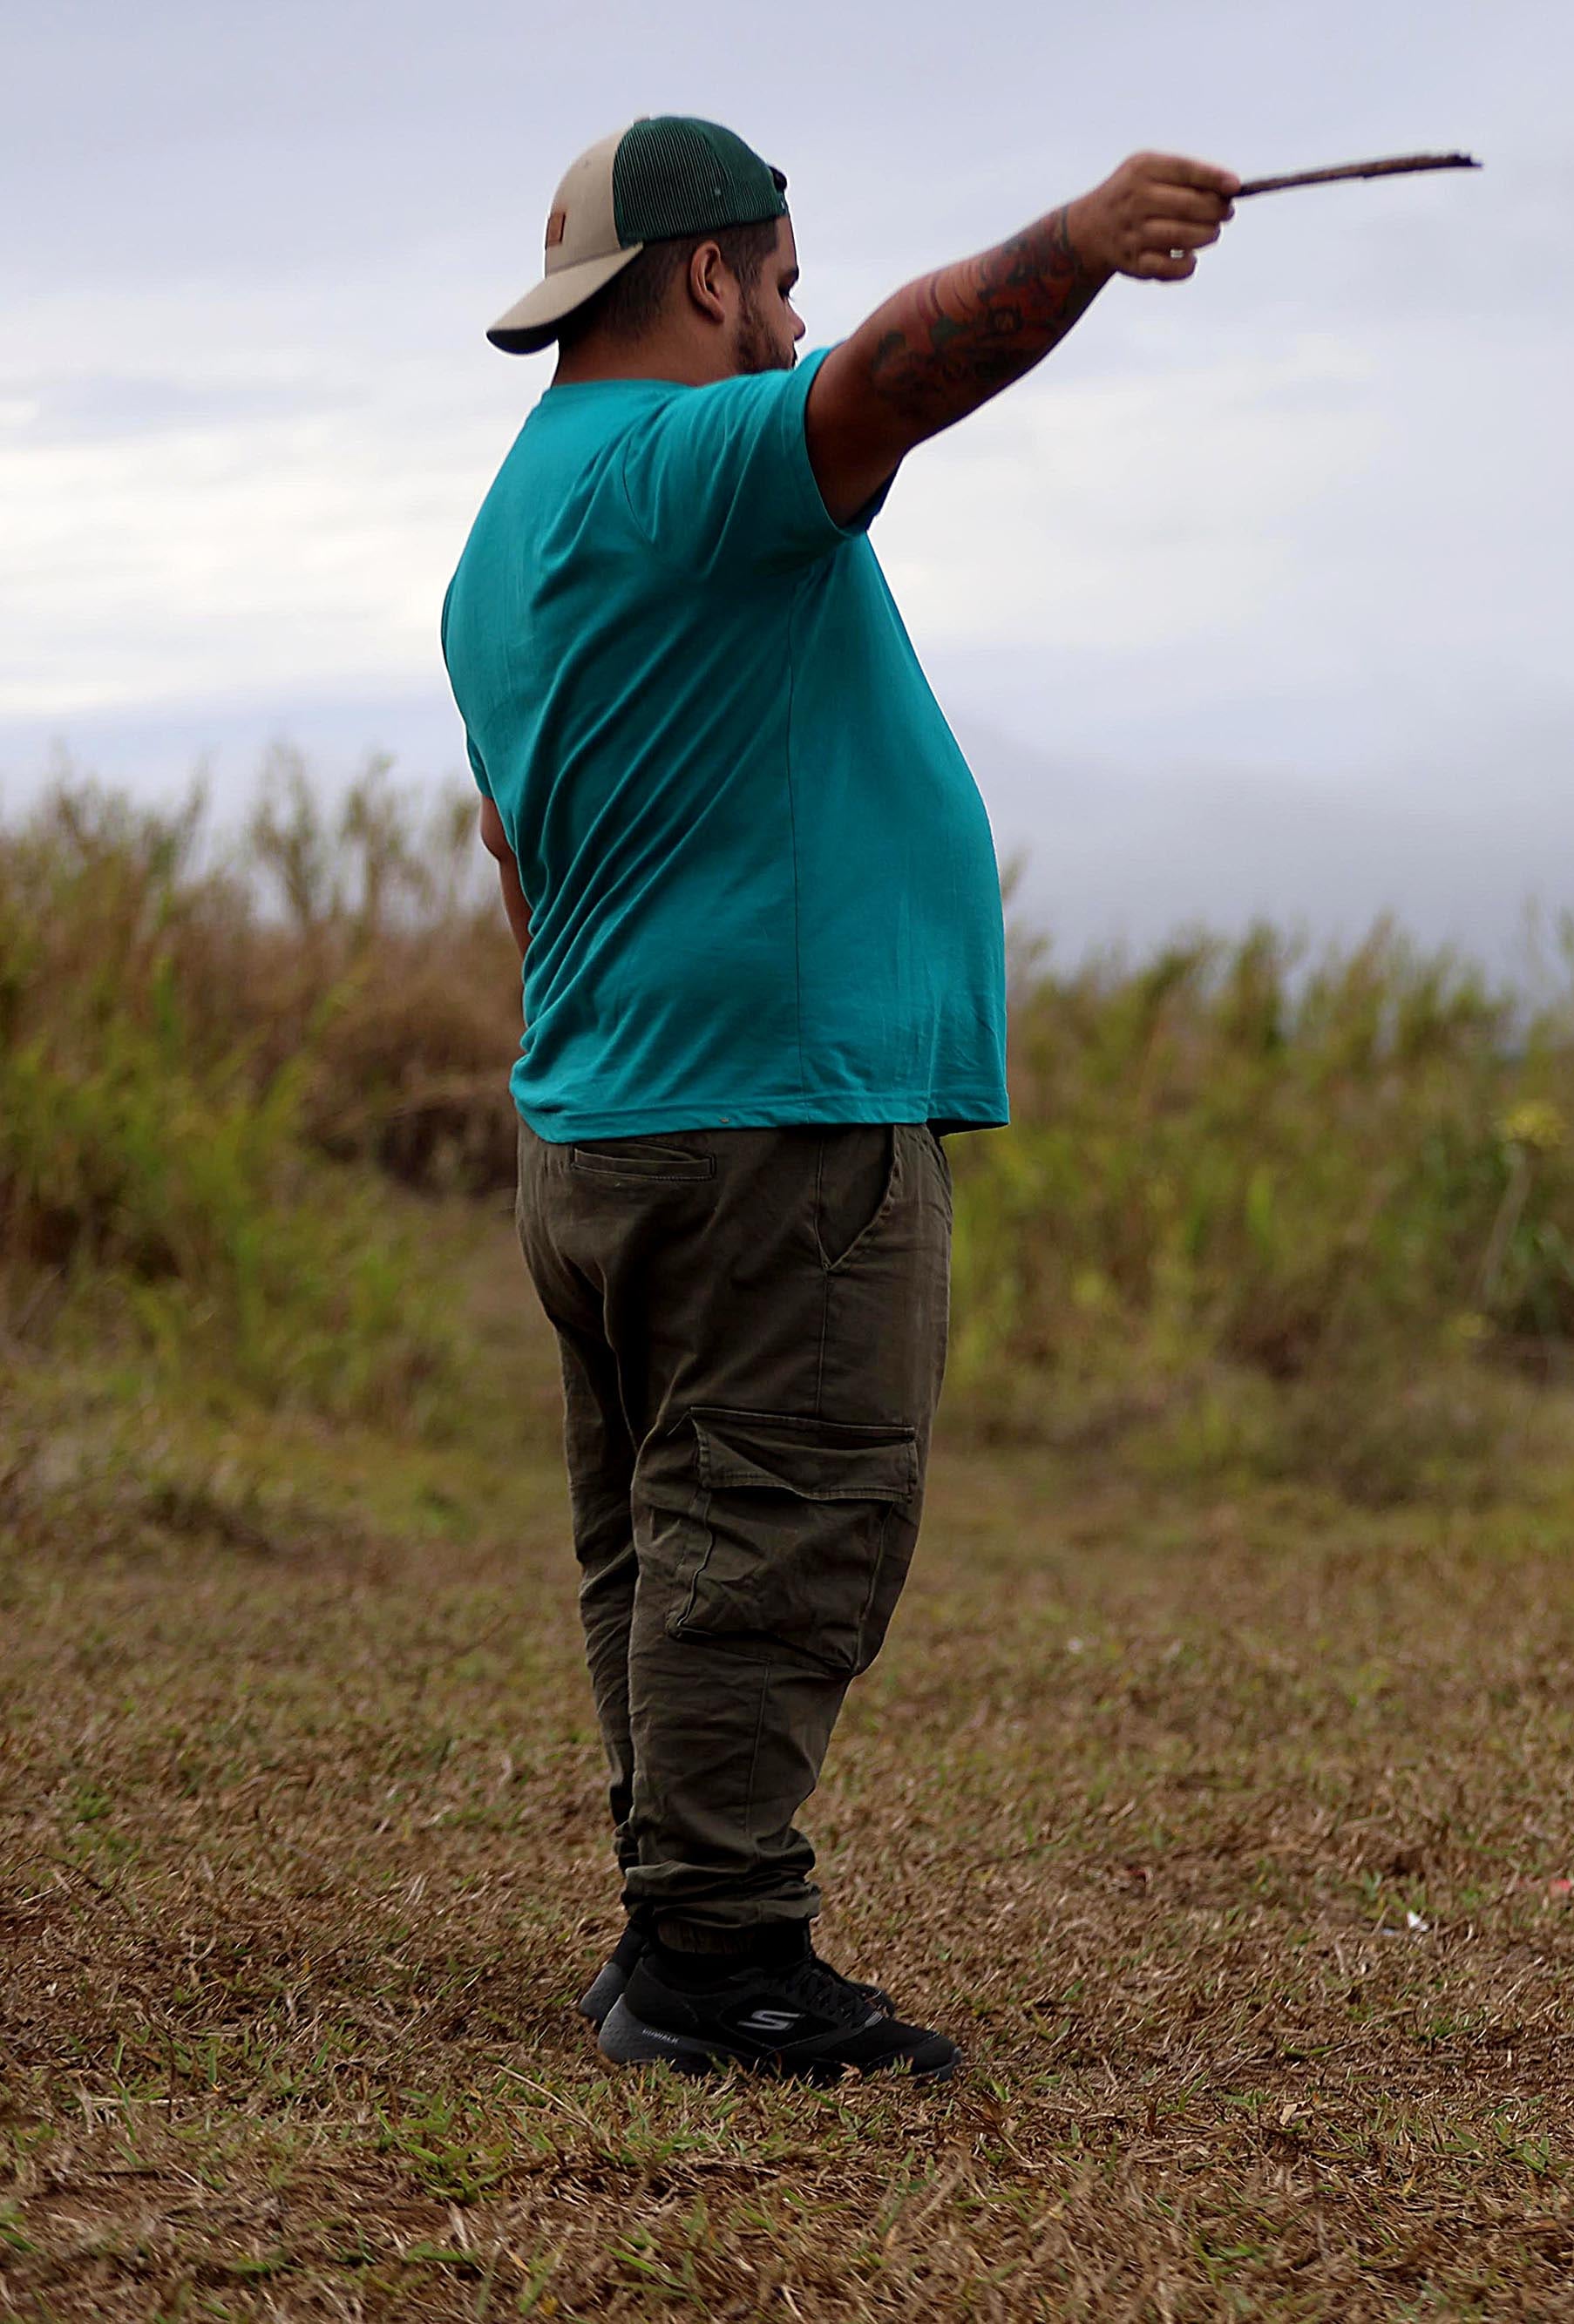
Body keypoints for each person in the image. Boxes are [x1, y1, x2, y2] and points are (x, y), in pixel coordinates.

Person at [441, 116, 1236, 2083]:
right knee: (780, 1525)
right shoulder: (696, 461)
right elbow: (895, 370)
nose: (789, 327)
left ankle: (671, 1928)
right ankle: (717, 1959)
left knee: (662, 1539)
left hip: (605, 1116)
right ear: (707, 275)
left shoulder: (503, 535)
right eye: (774, 284)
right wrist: (1080, 239)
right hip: (767, 1120)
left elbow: (509, 837)